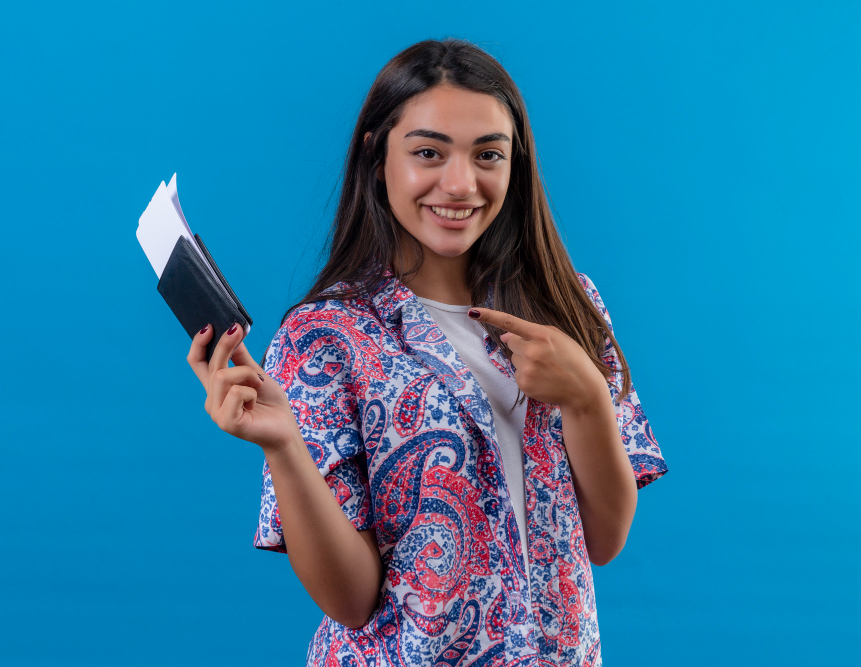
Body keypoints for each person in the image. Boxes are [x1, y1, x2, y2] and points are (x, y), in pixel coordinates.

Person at [185, 38, 667, 667]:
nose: (461, 183)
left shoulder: (566, 303)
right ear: (376, 157)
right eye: (428, 153)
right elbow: (352, 602)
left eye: (488, 154)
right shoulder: (326, 336)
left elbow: (603, 539)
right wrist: (284, 446)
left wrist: (585, 396)